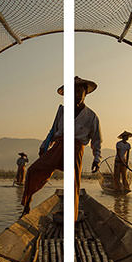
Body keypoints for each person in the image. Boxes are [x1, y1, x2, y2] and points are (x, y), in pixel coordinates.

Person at [21, 76, 101, 219]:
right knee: (33, 170)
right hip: (58, 146)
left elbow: (96, 140)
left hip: (76, 150)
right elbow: (53, 130)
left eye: (79, 92)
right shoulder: (62, 111)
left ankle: (72, 217)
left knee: (73, 183)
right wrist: (44, 145)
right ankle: (27, 204)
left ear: (85, 93)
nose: (75, 95)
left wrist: (97, 159)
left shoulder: (91, 116)